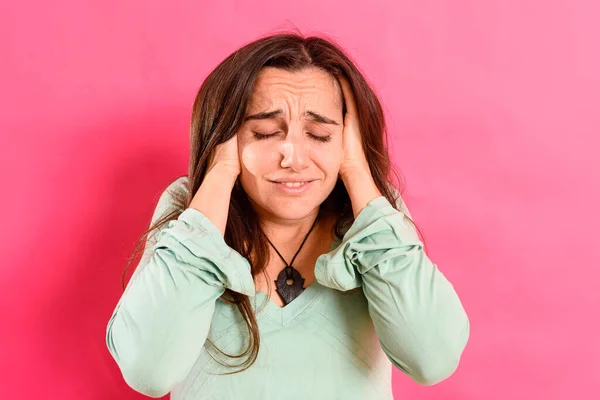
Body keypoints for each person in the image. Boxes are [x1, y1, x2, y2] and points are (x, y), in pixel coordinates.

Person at [106, 32, 470, 399]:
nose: (293, 158)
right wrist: (217, 174)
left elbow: (432, 359)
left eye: (320, 134)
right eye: (264, 133)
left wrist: (359, 172)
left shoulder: (373, 221)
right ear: (226, 136)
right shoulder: (190, 210)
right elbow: (148, 369)